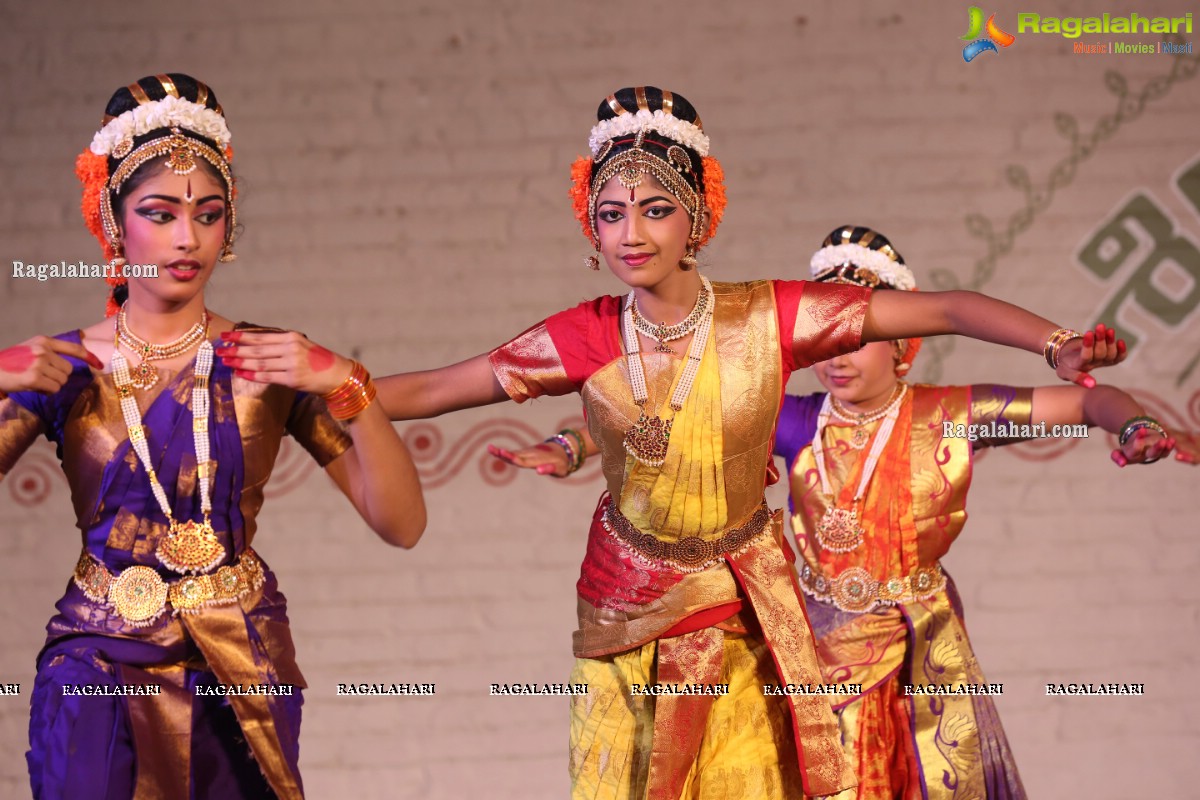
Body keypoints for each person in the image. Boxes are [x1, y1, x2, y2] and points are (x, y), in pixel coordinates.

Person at [224, 86, 1124, 800]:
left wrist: (1058, 344)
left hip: (743, 608)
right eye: (611, 215)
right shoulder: (583, 335)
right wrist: (331, 371)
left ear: (699, 216)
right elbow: (432, 389)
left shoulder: (769, 318)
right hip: (624, 607)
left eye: (655, 210)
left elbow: (947, 306)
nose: (631, 234)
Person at [504, 225, 1190, 800]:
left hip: (920, 657)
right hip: (815, 652)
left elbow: (1082, 405)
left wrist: (1129, 428)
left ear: (901, 343)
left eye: (856, 336)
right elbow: (663, 419)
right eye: (828, 341)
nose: (837, 356)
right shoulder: (796, 422)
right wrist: (571, 443)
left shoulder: (945, 420)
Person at [0, 74, 425, 800]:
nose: (186, 237)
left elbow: (401, 523)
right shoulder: (62, 366)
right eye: (160, 213)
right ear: (113, 220)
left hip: (241, 657)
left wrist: (346, 383)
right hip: (97, 658)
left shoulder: (269, 361)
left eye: (208, 213)